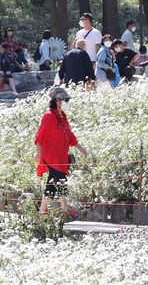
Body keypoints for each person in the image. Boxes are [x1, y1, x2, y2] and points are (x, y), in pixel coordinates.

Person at [34, 87, 88, 215]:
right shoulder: (49, 116)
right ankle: (64, 209)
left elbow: (70, 136)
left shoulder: (62, 116)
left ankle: (43, 210)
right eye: (65, 100)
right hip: (52, 156)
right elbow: (40, 136)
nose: (67, 102)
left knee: (53, 184)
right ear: (57, 101)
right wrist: (38, 153)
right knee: (61, 181)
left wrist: (81, 149)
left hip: (61, 156)